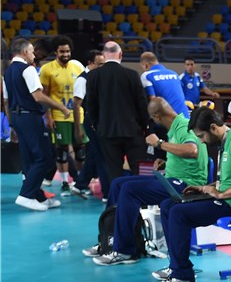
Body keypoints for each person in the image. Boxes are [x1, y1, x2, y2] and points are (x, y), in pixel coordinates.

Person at [91, 97, 209, 266]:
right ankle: (108, 240)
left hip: (185, 185)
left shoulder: (182, 126)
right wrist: (168, 161)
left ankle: (125, 250)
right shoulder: (176, 128)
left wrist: (159, 144)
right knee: (118, 184)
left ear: (157, 116)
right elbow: (189, 157)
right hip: (172, 177)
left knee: (130, 190)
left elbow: (192, 150)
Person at [152, 107, 231, 282]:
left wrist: (222, 194)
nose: (200, 141)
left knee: (178, 213)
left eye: (201, 136)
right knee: (168, 205)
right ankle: (176, 265)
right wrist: (206, 188)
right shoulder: (225, 141)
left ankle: (183, 276)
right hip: (226, 198)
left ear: (213, 128)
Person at [3, 37, 70, 211]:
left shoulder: (7, 72)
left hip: (17, 118)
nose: (34, 54)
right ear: (25, 52)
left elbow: (6, 100)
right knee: (44, 157)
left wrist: (11, 125)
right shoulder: (28, 69)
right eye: (32, 51)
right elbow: (38, 96)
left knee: (29, 159)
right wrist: (61, 106)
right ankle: (26, 195)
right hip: (30, 117)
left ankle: (37, 196)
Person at [84, 42, 149, 196]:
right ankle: (141, 203)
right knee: (137, 169)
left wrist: (96, 125)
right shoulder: (132, 75)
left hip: (107, 131)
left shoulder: (93, 76)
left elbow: (91, 105)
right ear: (120, 55)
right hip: (133, 130)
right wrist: (145, 126)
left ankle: (118, 203)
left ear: (104, 55)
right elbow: (141, 104)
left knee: (113, 170)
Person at [39, 35, 83, 196]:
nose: (65, 54)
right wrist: (48, 117)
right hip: (58, 115)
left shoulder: (77, 68)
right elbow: (45, 95)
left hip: (78, 115)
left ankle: (79, 181)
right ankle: (65, 182)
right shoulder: (47, 69)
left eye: (68, 51)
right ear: (56, 52)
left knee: (80, 151)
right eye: (62, 51)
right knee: (62, 150)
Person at [69, 49, 105, 199]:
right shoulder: (82, 80)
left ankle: (80, 185)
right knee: (101, 154)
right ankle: (107, 192)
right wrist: (78, 128)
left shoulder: (98, 77)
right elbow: (76, 105)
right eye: (99, 64)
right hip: (90, 120)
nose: (102, 67)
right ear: (90, 63)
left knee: (94, 154)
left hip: (99, 119)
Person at [139, 52, 189, 118]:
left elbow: (153, 100)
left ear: (146, 65)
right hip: (185, 118)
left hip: (167, 121)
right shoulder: (174, 73)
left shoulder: (147, 75)